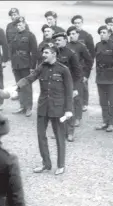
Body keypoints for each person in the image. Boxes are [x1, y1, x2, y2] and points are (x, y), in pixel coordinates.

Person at [17, 44, 73, 175]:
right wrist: (17, 87)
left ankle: (61, 165)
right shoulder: (41, 67)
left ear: (54, 54)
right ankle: (46, 164)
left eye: (47, 53)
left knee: (59, 136)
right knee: (41, 136)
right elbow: (30, 78)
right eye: (44, 53)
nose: (44, 55)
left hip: (57, 108)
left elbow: (69, 92)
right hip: (43, 107)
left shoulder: (63, 70)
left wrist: (68, 109)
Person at [94, 25, 113, 132]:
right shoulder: (97, 45)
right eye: (100, 33)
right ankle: (105, 121)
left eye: (104, 32)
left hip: (111, 77)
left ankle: (111, 123)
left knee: (112, 101)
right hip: (101, 77)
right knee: (103, 101)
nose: (102, 34)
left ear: (109, 34)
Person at [53, 31, 82, 141]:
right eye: (56, 40)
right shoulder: (54, 53)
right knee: (58, 108)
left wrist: (74, 87)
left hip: (69, 85)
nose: (57, 42)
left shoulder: (71, 53)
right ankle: (60, 131)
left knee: (69, 108)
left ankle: (70, 132)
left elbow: (77, 72)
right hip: (57, 85)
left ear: (65, 40)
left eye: (59, 40)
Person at [9, 17, 38, 117]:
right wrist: (13, 64)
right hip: (16, 64)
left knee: (27, 86)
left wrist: (32, 66)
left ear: (25, 24)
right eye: (17, 25)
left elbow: (34, 52)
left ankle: (29, 107)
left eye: (21, 24)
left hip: (26, 64)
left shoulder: (30, 35)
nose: (19, 26)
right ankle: (22, 106)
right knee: (19, 85)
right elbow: (12, 51)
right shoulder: (15, 36)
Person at [66, 25, 93, 127]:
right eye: (70, 34)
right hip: (67, 76)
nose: (72, 36)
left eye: (74, 34)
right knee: (67, 97)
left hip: (77, 76)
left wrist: (86, 75)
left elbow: (89, 61)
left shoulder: (81, 46)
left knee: (77, 97)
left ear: (78, 34)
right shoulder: (66, 46)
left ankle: (77, 117)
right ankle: (68, 117)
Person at [71, 15, 94, 112]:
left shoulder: (87, 35)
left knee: (84, 84)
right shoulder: (71, 34)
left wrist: (90, 66)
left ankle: (85, 103)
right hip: (74, 65)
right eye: (75, 23)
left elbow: (91, 52)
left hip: (83, 65)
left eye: (79, 23)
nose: (77, 25)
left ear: (82, 23)